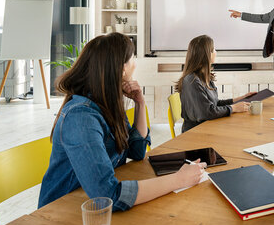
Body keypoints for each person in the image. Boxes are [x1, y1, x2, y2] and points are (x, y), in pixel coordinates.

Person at [39, 33, 205, 211]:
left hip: (86, 204)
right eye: (133, 57)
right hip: (62, 213)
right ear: (122, 69)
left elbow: (137, 150)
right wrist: (178, 180)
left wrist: (140, 103)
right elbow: (108, 195)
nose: (135, 62)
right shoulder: (81, 118)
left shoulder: (108, 104)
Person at [177, 35, 255, 132]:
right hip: (196, 133)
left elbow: (214, 104)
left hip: (208, 127)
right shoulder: (191, 81)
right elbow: (206, 113)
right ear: (207, 54)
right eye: (213, 50)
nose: (216, 52)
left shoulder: (204, 76)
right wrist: (233, 108)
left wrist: (241, 98)